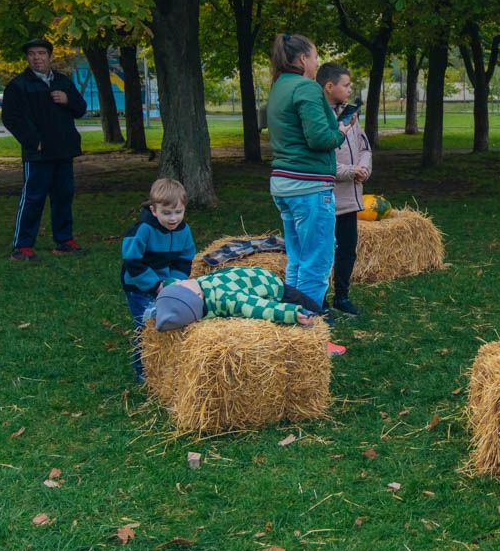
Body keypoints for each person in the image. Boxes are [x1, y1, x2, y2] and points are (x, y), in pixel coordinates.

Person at [266, 34, 350, 313]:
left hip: (284, 185)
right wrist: (340, 133)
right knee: (317, 262)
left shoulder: (279, 86)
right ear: (303, 59)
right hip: (308, 187)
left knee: (298, 259)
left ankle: (292, 318)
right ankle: (308, 324)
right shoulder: (306, 87)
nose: (317, 62)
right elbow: (319, 138)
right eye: (315, 57)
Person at [1, 37, 88, 261]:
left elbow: (80, 109)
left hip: (64, 150)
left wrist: (67, 99)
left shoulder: (63, 81)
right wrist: (32, 140)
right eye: (32, 54)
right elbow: (10, 118)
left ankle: (64, 241)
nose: (36, 58)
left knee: (63, 196)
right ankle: (22, 246)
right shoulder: (18, 85)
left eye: (41, 53)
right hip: (38, 153)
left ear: (50, 56)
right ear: (27, 58)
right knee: (33, 198)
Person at [120, 178, 196, 381]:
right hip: (138, 286)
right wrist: (155, 284)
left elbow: (185, 259)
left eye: (178, 212)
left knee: (169, 320)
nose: (173, 218)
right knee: (146, 326)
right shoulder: (142, 230)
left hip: (165, 284)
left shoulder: (183, 230)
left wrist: (174, 282)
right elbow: (132, 261)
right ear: (154, 210)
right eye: (167, 213)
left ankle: (167, 365)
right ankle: (142, 371)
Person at [317, 62, 371, 316]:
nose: (350, 90)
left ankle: (342, 296)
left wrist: (364, 167)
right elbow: (321, 160)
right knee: (324, 252)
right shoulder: (318, 117)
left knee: (348, 249)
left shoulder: (351, 114)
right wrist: (350, 171)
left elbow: (363, 146)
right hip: (327, 198)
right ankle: (319, 299)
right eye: (346, 85)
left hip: (350, 198)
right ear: (330, 87)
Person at [145, 266, 323, 331]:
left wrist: (163, 294)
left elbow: (172, 287)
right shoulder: (228, 298)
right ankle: (324, 324)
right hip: (272, 286)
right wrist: (291, 313)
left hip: (252, 276)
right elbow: (260, 307)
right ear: (197, 296)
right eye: (181, 285)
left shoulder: (187, 293)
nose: (180, 281)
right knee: (315, 311)